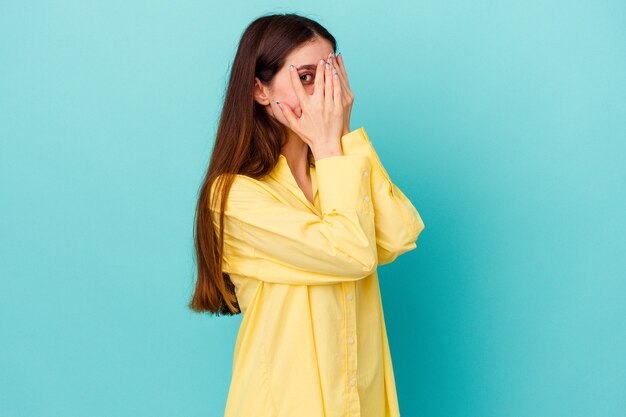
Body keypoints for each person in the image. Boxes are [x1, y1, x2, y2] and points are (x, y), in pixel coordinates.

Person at [190, 13, 425, 417]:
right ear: (260, 91)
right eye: (306, 77)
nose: (324, 94)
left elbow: (398, 234)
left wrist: (343, 138)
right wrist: (333, 147)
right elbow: (352, 253)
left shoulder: (334, 170)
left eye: (331, 74)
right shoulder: (231, 196)